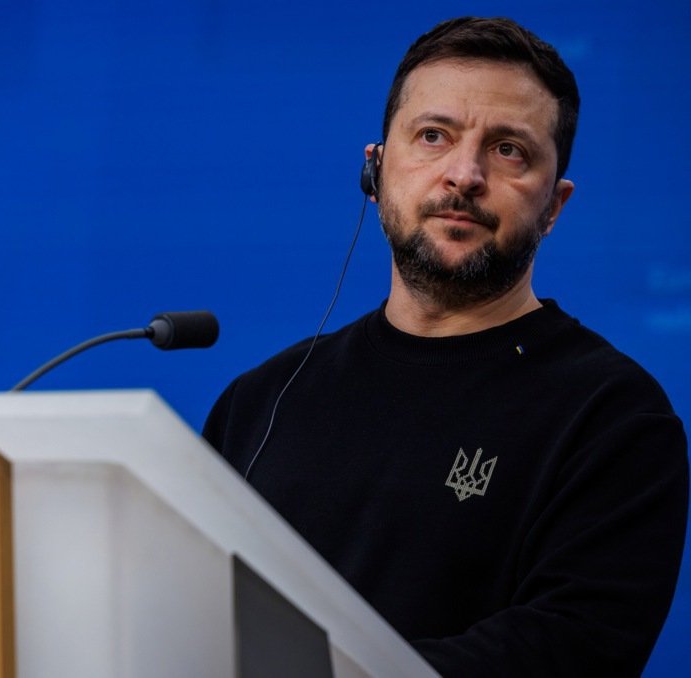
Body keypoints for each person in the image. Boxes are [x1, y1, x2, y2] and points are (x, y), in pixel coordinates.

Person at [203, 16, 688, 677]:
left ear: (555, 206)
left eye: (509, 150)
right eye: (433, 136)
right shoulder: (260, 400)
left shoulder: (614, 416)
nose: (464, 174)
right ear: (375, 170)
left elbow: (570, 651)